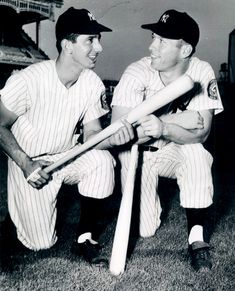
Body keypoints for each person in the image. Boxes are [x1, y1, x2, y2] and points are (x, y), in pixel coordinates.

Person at [0, 7, 135, 267]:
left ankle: (86, 238)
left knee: (101, 162)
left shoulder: (92, 82)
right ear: (67, 45)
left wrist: (113, 138)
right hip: (31, 164)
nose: (99, 47)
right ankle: (13, 222)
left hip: (67, 155)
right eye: (90, 40)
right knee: (40, 243)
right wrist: (25, 163)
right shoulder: (29, 79)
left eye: (99, 40)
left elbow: (92, 135)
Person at [111, 9, 223, 271]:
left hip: (174, 148)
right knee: (145, 229)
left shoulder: (201, 70)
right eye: (153, 37)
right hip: (137, 152)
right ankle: (151, 207)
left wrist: (164, 128)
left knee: (197, 153)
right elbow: (120, 134)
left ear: (184, 51)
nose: (152, 46)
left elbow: (202, 132)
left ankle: (197, 239)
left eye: (162, 41)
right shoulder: (137, 71)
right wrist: (179, 119)